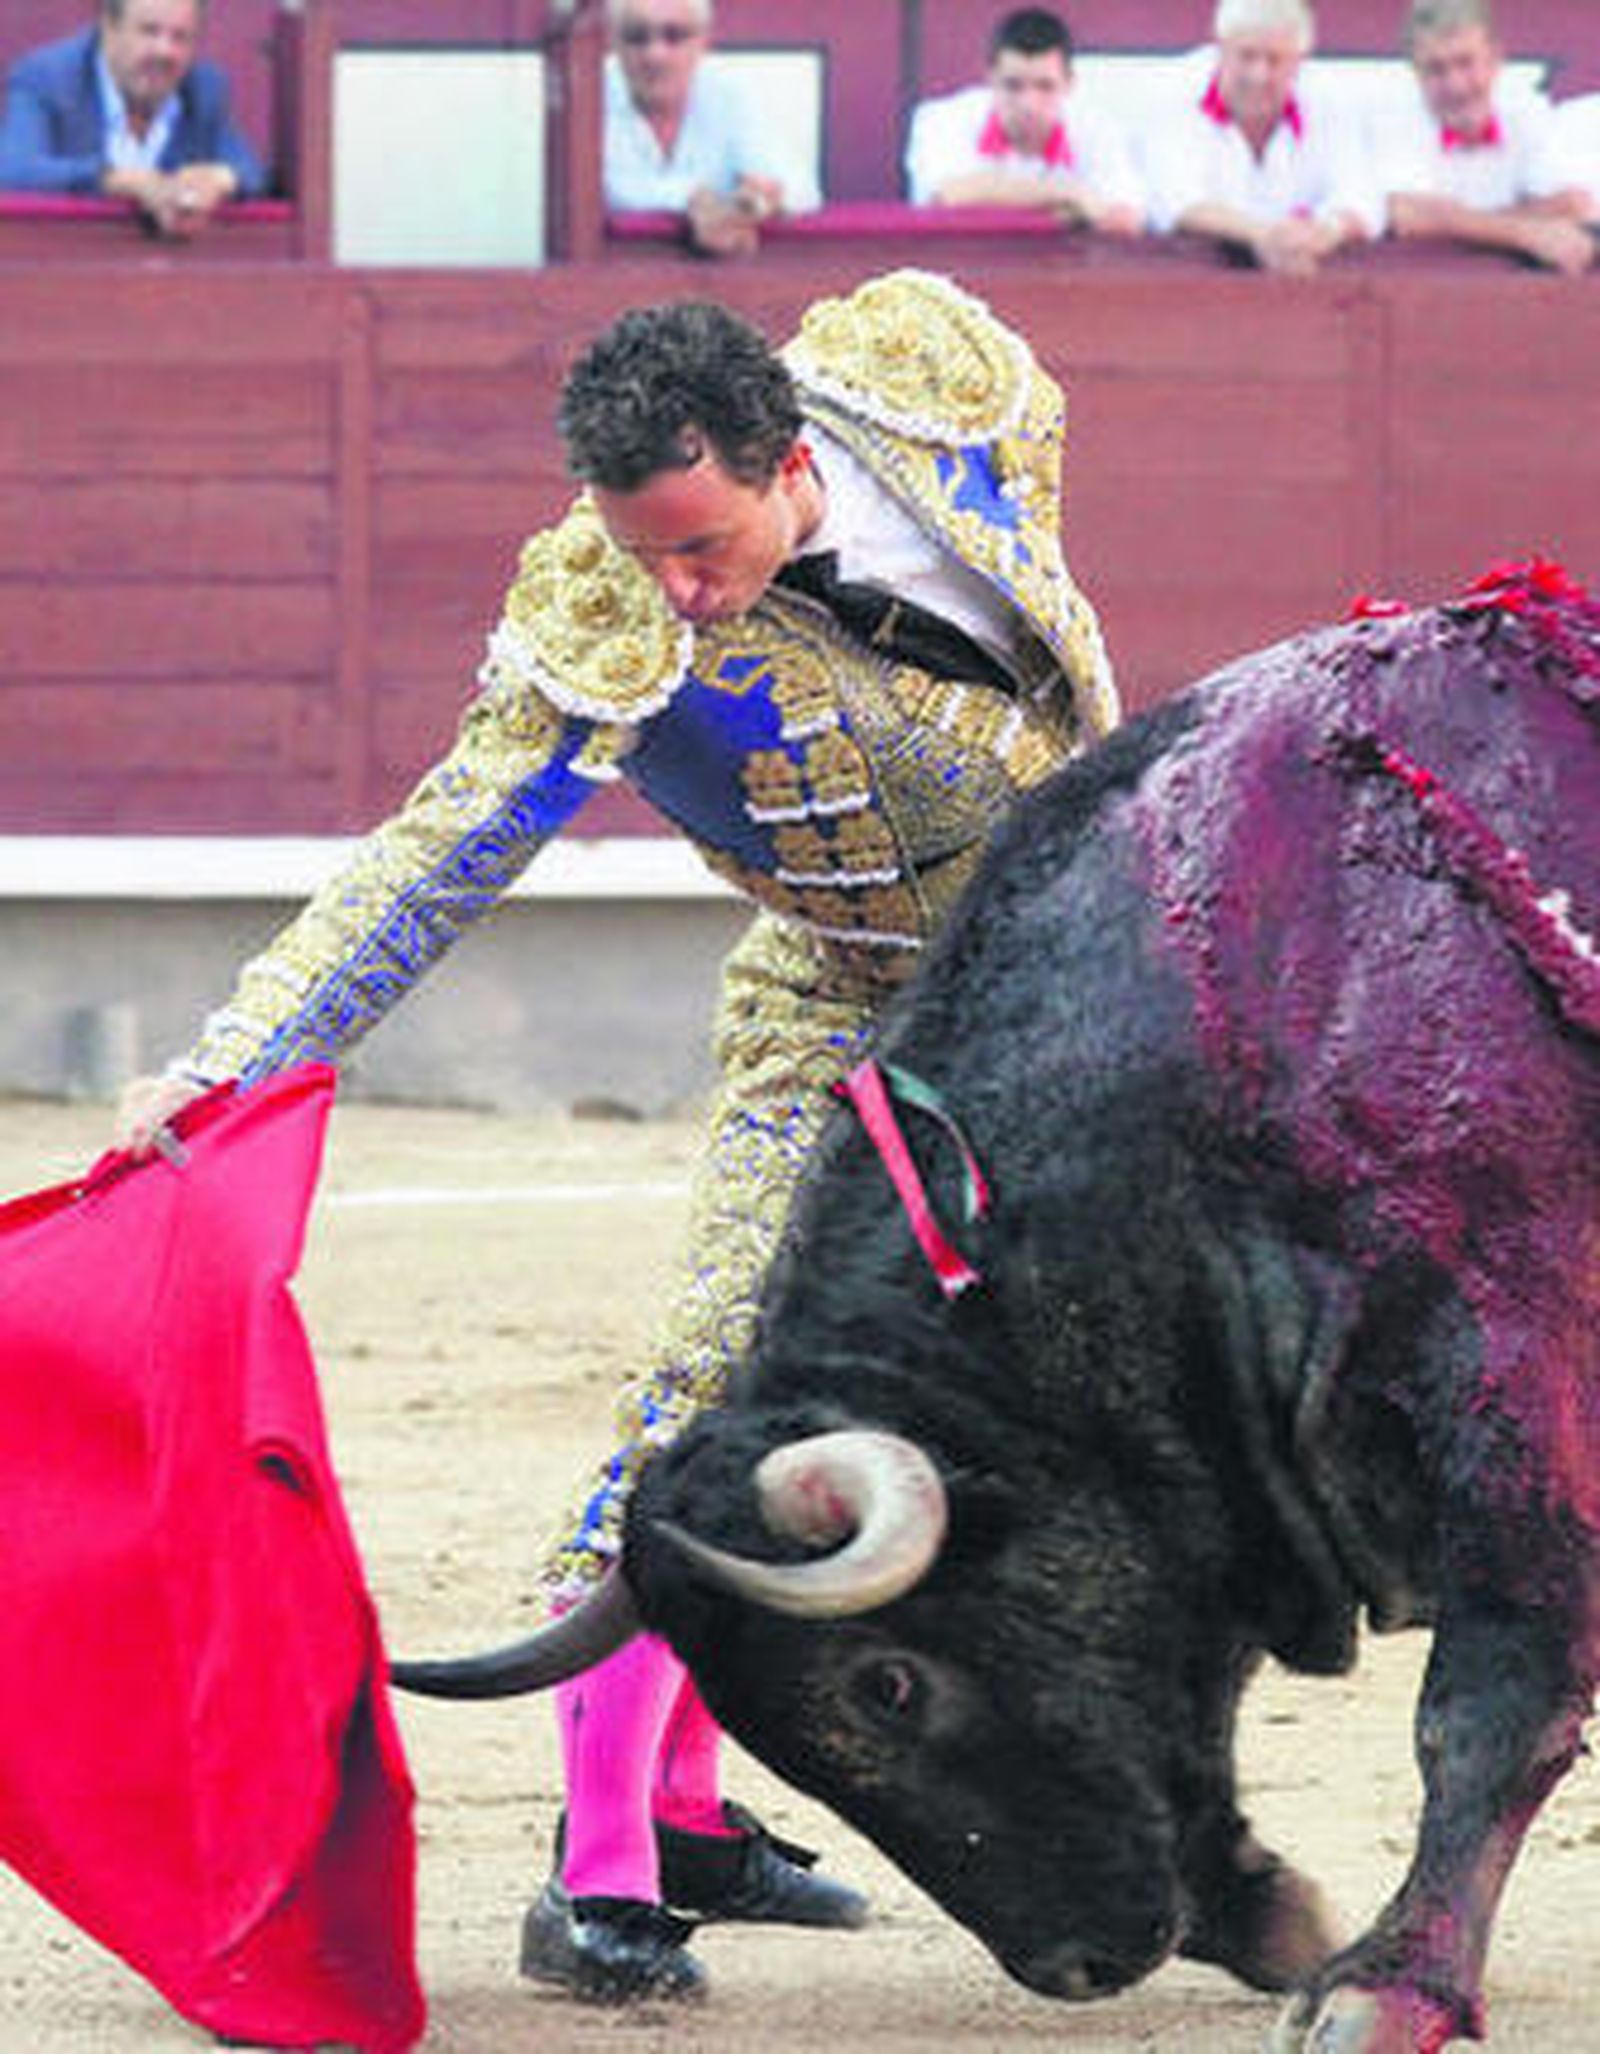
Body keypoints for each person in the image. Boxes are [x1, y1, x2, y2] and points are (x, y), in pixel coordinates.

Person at [115, 269, 1118, 2005]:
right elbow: (432, 860)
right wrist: (227, 1063)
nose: (672, 589)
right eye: (638, 550)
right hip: (844, 1017)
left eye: (702, 546)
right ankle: (599, 1875)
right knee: (715, 1389)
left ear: (793, 457)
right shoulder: (605, 618)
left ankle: (687, 1801)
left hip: (1081, 998)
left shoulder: (934, 371)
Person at [1141, 0, 1381, 274]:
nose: (1259, 75)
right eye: (1247, 56)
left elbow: (1362, 196)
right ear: (1219, 48)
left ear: (1300, 60)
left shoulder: (1329, 99)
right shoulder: (1172, 92)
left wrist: (1326, 231)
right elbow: (1174, 200)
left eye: (1275, 60)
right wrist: (1262, 235)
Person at [0, 0, 264, 239]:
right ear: (109, 27)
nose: (165, 51)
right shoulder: (48, 78)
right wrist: (123, 182)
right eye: (149, 31)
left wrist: (218, 180)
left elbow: (252, 172)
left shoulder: (203, 88)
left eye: (180, 37)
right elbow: (13, 171)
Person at [1373, 0, 1596, 276]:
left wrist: (1457, 224)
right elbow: (1407, 215)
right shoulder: (1394, 117)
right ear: (1415, 73)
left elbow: (1571, 204)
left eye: (1465, 63)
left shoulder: (1526, 112)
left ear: (1495, 59)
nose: (1455, 85)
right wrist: (1527, 233)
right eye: (1436, 69)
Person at [603, 0, 818, 258]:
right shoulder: (587, 94)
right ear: (613, 41)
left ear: (704, 40)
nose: (655, 54)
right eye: (637, 37)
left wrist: (752, 204)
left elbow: (802, 188)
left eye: (674, 35)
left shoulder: (728, 93)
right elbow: (609, 190)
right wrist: (694, 200)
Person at [904, 6, 1144, 235]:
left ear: (1070, 84)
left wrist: (989, 199)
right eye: (1013, 85)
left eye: (1045, 86)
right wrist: (1071, 195)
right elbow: (948, 195)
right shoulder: (942, 118)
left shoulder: (1098, 128)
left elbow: (1125, 219)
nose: (1028, 105)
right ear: (990, 78)